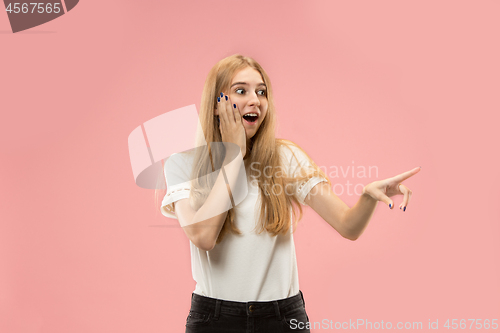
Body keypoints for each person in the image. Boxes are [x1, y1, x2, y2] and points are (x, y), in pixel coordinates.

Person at [158, 54, 420, 333]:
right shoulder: (183, 164)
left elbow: (348, 226)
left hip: (281, 318)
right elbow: (203, 237)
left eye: (261, 92)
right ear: (215, 105)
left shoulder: (285, 157)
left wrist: (367, 196)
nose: (255, 100)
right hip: (215, 319)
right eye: (240, 90)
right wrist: (233, 157)